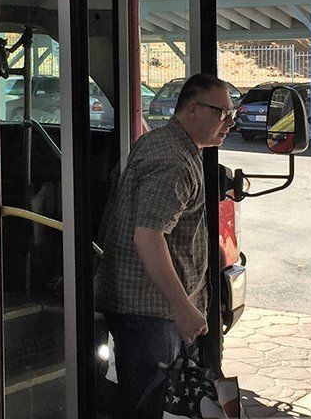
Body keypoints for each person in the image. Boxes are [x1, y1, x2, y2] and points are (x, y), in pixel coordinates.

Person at [95, 73, 236, 419]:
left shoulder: (160, 142)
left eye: (232, 114)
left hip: (143, 307)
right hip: (152, 312)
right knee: (152, 407)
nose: (230, 123)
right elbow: (148, 236)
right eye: (222, 113)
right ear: (192, 109)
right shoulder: (174, 161)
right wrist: (183, 308)